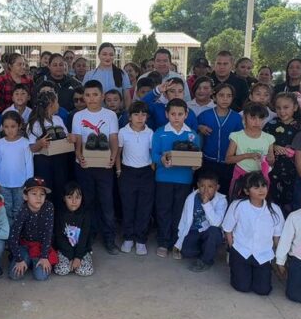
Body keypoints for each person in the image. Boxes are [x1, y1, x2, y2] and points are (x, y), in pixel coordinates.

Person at [72, 80, 121, 255]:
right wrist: (79, 155)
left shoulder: (110, 115)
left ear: (102, 96)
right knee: (87, 202)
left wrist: (113, 156)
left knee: (107, 203)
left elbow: (113, 138)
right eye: (87, 95)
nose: (91, 98)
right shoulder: (78, 116)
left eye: (95, 95)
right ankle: (89, 235)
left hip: (104, 165)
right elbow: (78, 139)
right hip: (84, 165)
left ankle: (109, 238)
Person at [152, 98, 203, 259]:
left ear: (186, 115)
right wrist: (161, 159)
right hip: (163, 178)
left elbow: (197, 156)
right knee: (163, 210)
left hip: (184, 179)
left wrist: (195, 165)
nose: (176, 117)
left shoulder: (192, 135)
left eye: (180, 114)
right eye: (173, 114)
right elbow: (153, 155)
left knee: (180, 212)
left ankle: (176, 243)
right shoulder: (160, 132)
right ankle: (163, 242)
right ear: (166, 114)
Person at [223, 171, 284, 295]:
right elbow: (228, 229)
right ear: (247, 191)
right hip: (241, 251)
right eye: (256, 187)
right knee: (242, 287)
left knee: (263, 290)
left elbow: (277, 237)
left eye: (263, 186)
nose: (261, 190)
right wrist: (233, 248)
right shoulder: (238, 206)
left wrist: (280, 260)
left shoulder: (275, 210)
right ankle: (237, 266)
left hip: (263, 254)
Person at [117, 100, 155, 255]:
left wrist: (153, 168)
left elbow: (152, 153)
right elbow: (118, 152)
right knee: (128, 206)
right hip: (127, 172)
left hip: (146, 173)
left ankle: (141, 239)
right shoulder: (123, 132)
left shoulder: (150, 133)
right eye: (136, 114)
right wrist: (118, 169)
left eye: (143, 114)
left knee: (144, 207)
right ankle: (128, 237)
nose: (140, 117)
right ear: (129, 117)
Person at [28, 90, 73, 214]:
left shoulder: (58, 119)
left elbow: (65, 138)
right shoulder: (35, 123)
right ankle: (46, 218)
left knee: (60, 189)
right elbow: (31, 148)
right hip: (43, 162)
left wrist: (70, 138)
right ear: (51, 104)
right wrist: (40, 143)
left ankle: (60, 218)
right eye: (57, 102)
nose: (59, 105)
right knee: (46, 190)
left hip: (60, 159)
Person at [174, 169, 227, 272]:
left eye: (210, 187)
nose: (206, 190)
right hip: (195, 231)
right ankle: (207, 250)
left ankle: (206, 260)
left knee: (213, 231)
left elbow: (216, 223)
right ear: (198, 185)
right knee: (186, 252)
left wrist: (206, 203)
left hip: (210, 232)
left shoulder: (221, 200)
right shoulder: (191, 198)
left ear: (217, 187)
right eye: (202, 186)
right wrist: (179, 240)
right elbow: (184, 219)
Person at [8, 178, 56, 282]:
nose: (38, 198)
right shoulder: (22, 210)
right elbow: (13, 236)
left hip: (40, 246)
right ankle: (27, 260)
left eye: (42, 194)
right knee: (14, 274)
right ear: (25, 196)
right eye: (34, 194)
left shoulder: (49, 207)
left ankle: (32, 261)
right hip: (24, 245)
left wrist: (44, 256)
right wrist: (19, 259)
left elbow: (48, 233)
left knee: (41, 276)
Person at [198, 83, 243, 192]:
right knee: (207, 192)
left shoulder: (237, 118)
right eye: (221, 95)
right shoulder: (205, 115)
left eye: (229, 96)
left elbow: (241, 139)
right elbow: (193, 129)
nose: (225, 99)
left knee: (224, 192)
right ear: (214, 97)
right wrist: (199, 127)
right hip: (208, 161)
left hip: (228, 163)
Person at [224, 103, 275, 196]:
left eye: (261, 118)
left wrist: (270, 159)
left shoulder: (269, 138)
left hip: (260, 180)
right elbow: (228, 159)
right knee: (237, 201)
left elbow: (271, 163)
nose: (257, 122)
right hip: (241, 176)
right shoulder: (236, 136)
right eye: (253, 118)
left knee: (258, 203)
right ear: (244, 118)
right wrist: (247, 155)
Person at [266, 92, 301, 212]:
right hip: (272, 170)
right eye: (278, 108)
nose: (282, 111)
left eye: (286, 107)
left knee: (290, 204)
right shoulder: (271, 124)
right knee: (272, 201)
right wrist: (273, 147)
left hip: (293, 172)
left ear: (295, 107)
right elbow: (262, 141)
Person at [53, 181, 94, 276]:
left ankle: (76, 263)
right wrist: (71, 257)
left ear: (82, 198)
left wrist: (78, 257)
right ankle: (71, 264)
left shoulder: (85, 214)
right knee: (61, 270)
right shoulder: (60, 214)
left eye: (77, 197)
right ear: (64, 198)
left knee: (86, 271)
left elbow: (84, 237)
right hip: (64, 250)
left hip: (82, 250)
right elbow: (59, 237)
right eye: (70, 197)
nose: (74, 201)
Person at [85, 42, 132, 108]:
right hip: (96, 112)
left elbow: (127, 97)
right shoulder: (89, 75)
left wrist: (127, 112)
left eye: (111, 55)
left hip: (117, 113)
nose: (108, 57)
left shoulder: (122, 74)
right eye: (104, 54)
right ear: (98, 55)